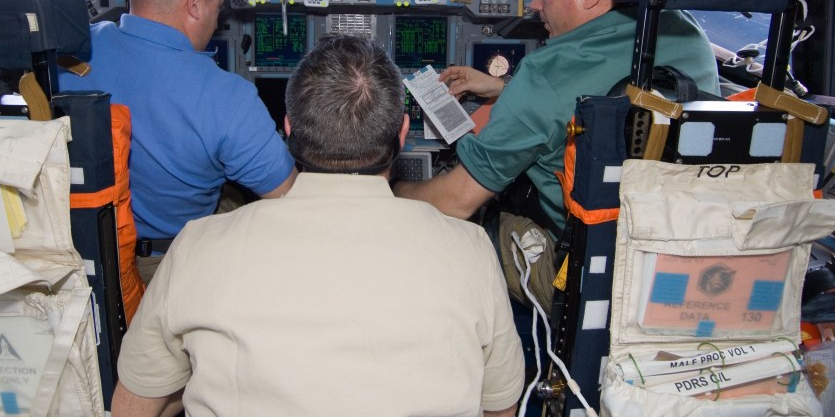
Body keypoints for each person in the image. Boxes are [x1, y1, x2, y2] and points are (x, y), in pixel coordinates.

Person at [111, 35, 525, 417]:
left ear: (288, 130)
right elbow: (500, 406)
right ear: (401, 134)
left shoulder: (196, 247)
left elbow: (136, 401)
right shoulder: (470, 249)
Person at [394, 0, 720, 304]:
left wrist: (390, 188)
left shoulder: (545, 74)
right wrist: (503, 88)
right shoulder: (688, 32)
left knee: (476, 224)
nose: (533, 3)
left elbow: (454, 202)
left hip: (582, 272)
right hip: (681, 253)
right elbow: (613, 85)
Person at [58, 0, 296, 282]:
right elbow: (288, 199)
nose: (218, 20)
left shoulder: (70, 53)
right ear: (195, 2)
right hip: (166, 267)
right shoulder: (226, 97)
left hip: (77, 250)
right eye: (218, 7)